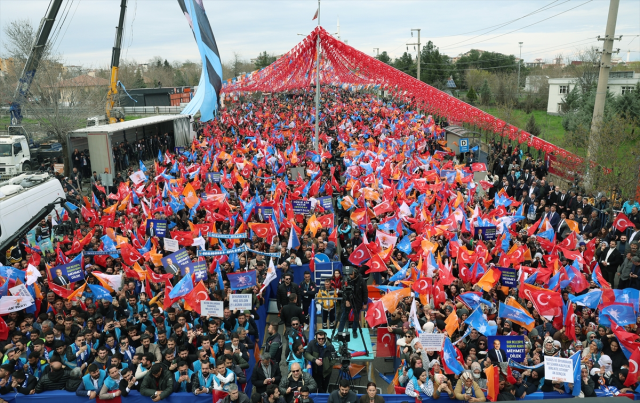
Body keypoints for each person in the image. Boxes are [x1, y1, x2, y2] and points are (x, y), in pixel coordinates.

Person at [336, 268, 368, 338]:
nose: (349, 276)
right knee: (344, 316)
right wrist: (346, 300)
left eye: (351, 274)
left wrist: (365, 303)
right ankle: (339, 332)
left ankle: (354, 330)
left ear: (355, 274)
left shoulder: (361, 280)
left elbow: (365, 292)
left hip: (357, 301)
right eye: (349, 274)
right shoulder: (346, 279)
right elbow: (344, 290)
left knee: (356, 317)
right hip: (348, 300)